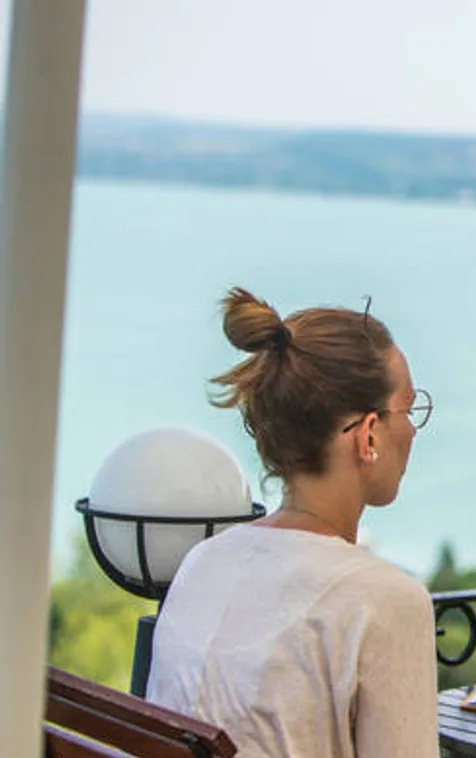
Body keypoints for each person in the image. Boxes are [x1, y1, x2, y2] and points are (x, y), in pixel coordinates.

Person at [147, 288, 439, 758]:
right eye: (408, 410)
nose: (412, 429)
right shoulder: (385, 603)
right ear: (368, 434)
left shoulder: (204, 562)